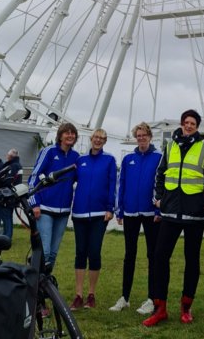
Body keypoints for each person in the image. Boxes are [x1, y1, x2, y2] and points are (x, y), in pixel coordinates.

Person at [142, 109, 204, 327]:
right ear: (181, 124)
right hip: (170, 212)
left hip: (194, 213)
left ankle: (186, 307)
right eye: (185, 122)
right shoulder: (170, 146)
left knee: (192, 260)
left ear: (197, 126)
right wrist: (159, 198)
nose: (188, 125)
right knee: (160, 257)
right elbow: (160, 173)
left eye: (192, 123)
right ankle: (160, 308)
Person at [109, 122, 161, 315]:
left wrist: (158, 211)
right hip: (130, 212)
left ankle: (151, 298)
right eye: (138, 135)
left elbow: (160, 184)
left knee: (152, 256)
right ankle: (125, 297)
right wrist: (119, 210)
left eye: (144, 135)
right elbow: (121, 185)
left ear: (149, 136)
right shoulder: (128, 159)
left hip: (150, 213)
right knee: (129, 255)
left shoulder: (158, 157)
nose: (141, 138)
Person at [70, 128, 116, 311]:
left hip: (99, 214)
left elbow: (113, 183)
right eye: (96, 137)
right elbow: (69, 181)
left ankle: (91, 294)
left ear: (104, 142)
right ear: (91, 139)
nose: (98, 140)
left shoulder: (109, 160)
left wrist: (110, 208)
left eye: (102, 138)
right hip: (80, 213)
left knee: (94, 252)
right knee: (80, 252)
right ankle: (78, 295)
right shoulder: (80, 160)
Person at [29, 122, 80, 271]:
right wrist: (34, 203)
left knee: (53, 252)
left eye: (73, 133)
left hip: (63, 210)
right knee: (44, 250)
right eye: (67, 133)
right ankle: (34, 281)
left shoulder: (76, 157)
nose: (70, 136)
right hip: (44, 208)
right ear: (60, 135)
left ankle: (45, 282)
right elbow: (34, 177)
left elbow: (79, 179)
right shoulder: (49, 151)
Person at [0, 148, 23, 238]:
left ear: (11, 157)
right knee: (8, 216)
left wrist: (0, 182)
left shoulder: (13, 166)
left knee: (6, 216)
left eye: (7, 155)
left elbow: (8, 180)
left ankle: (7, 236)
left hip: (9, 195)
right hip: (13, 194)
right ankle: (7, 235)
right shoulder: (18, 165)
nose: (6, 157)